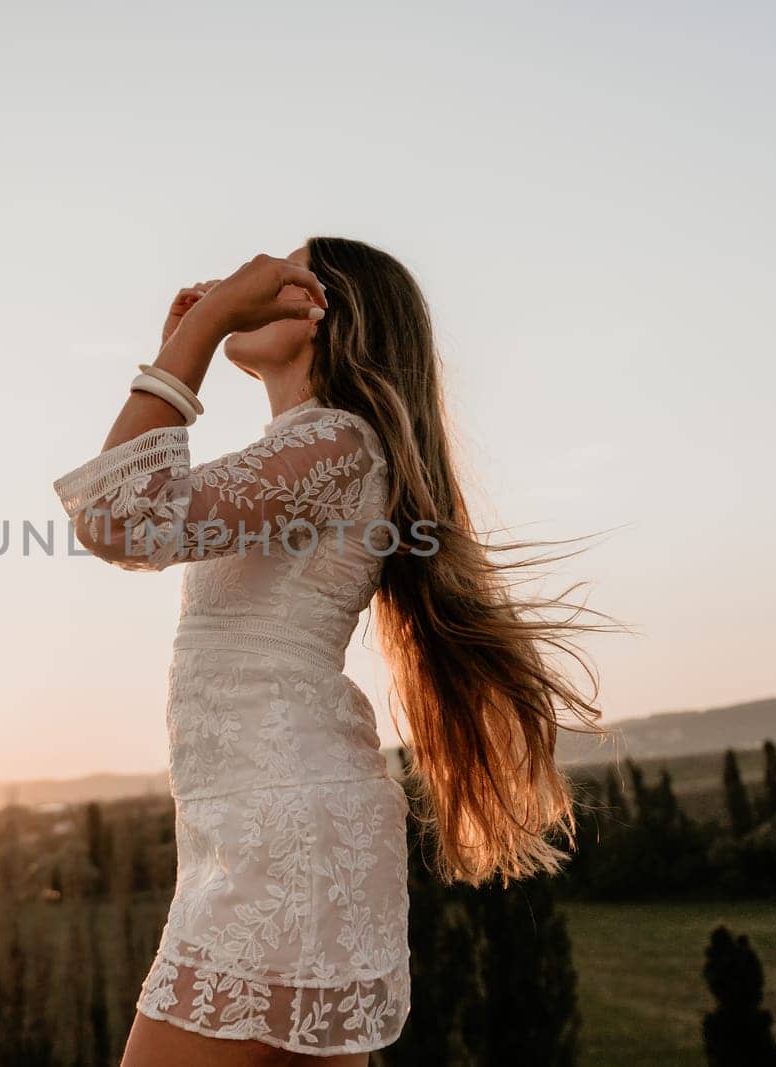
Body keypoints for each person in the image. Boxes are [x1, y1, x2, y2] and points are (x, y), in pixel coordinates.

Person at [52, 237, 605, 1066]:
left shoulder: (338, 442)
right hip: (271, 825)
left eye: (280, 264)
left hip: (286, 833)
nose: (252, 266)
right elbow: (136, 512)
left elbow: (121, 518)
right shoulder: (317, 448)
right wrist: (192, 335)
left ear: (317, 312)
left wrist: (196, 334)